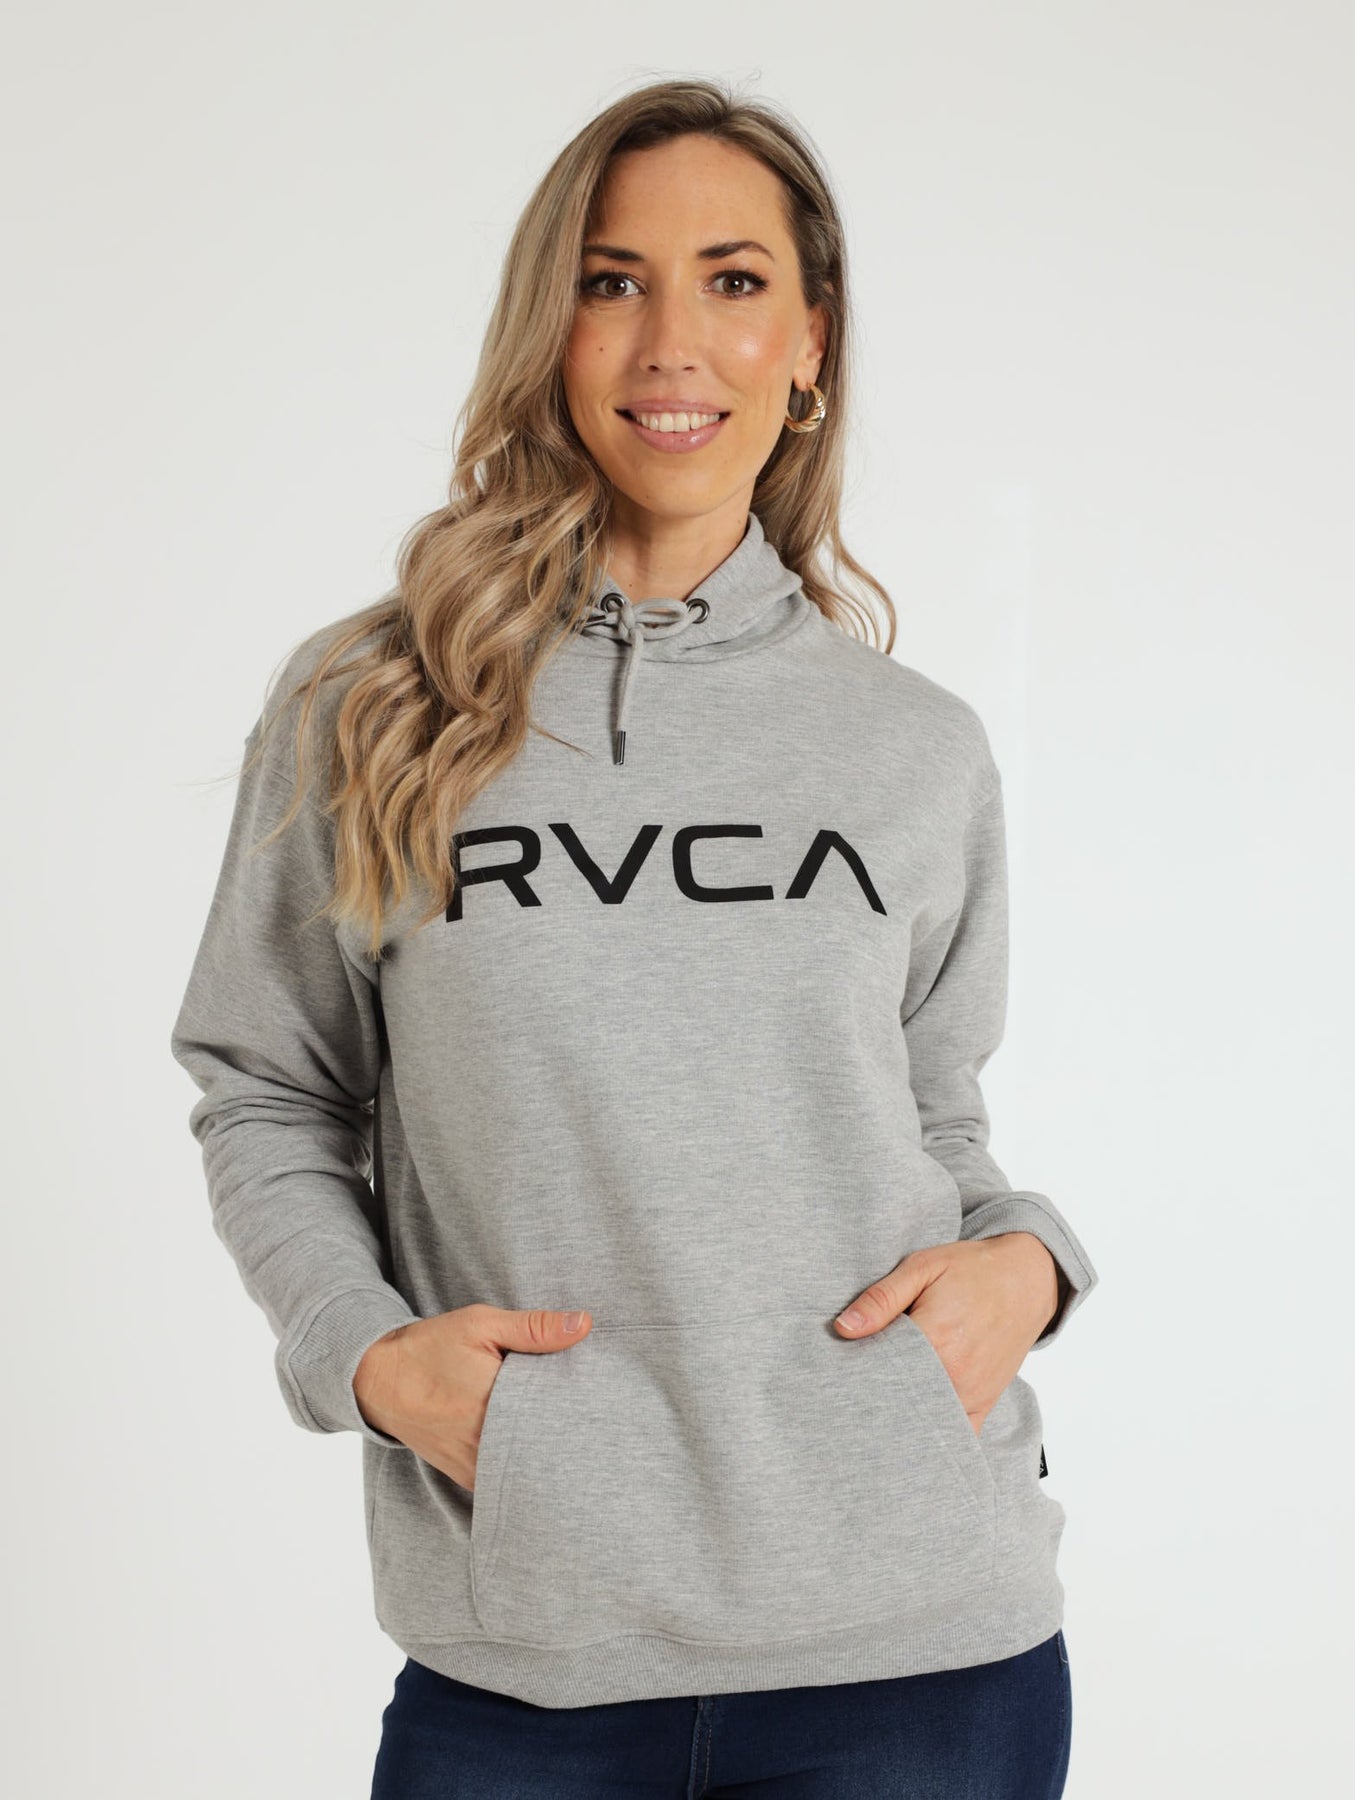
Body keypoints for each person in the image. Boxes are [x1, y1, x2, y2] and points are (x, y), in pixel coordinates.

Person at [170, 75, 1097, 1799]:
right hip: (524, 1661)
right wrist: (367, 1357)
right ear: (551, 328)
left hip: (923, 1663)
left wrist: (1031, 1265)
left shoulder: (913, 749)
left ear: (810, 344)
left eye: (735, 281)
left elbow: (929, 1122)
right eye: (613, 281)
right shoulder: (374, 703)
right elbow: (267, 1089)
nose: (674, 341)